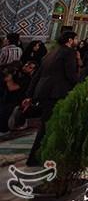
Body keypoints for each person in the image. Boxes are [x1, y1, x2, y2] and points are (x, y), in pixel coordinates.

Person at [22, 30, 80, 166]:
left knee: (47, 124)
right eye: (76, 39)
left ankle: (38, 156)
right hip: (57, 93)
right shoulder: (69, 52)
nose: (77, 41)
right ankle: (38, 157)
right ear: (70, 40)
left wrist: (29, 95)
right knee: (50, 125)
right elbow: (70, 74)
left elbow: (37, 75)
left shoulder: (50, 53)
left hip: (44, 92)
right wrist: (81, 88)